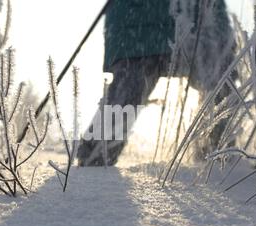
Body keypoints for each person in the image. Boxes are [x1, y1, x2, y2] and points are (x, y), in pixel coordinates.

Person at [77, 0, 235, 166]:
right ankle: (94, 161)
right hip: (141, 19)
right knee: (129, 88)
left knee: (220, 87)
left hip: (187, 16)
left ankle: (218, 164)